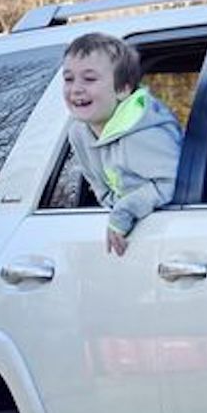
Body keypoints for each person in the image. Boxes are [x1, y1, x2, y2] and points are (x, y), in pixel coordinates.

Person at [62, 32, 184, 256]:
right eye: (69, 79)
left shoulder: (146, 133)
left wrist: (122, 212)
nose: (76, 89)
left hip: (169, 235)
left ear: (123, 89)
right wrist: (113, 206)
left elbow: (173, 183)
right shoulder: (78, 134)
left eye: (89, 79)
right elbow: (101, 188)